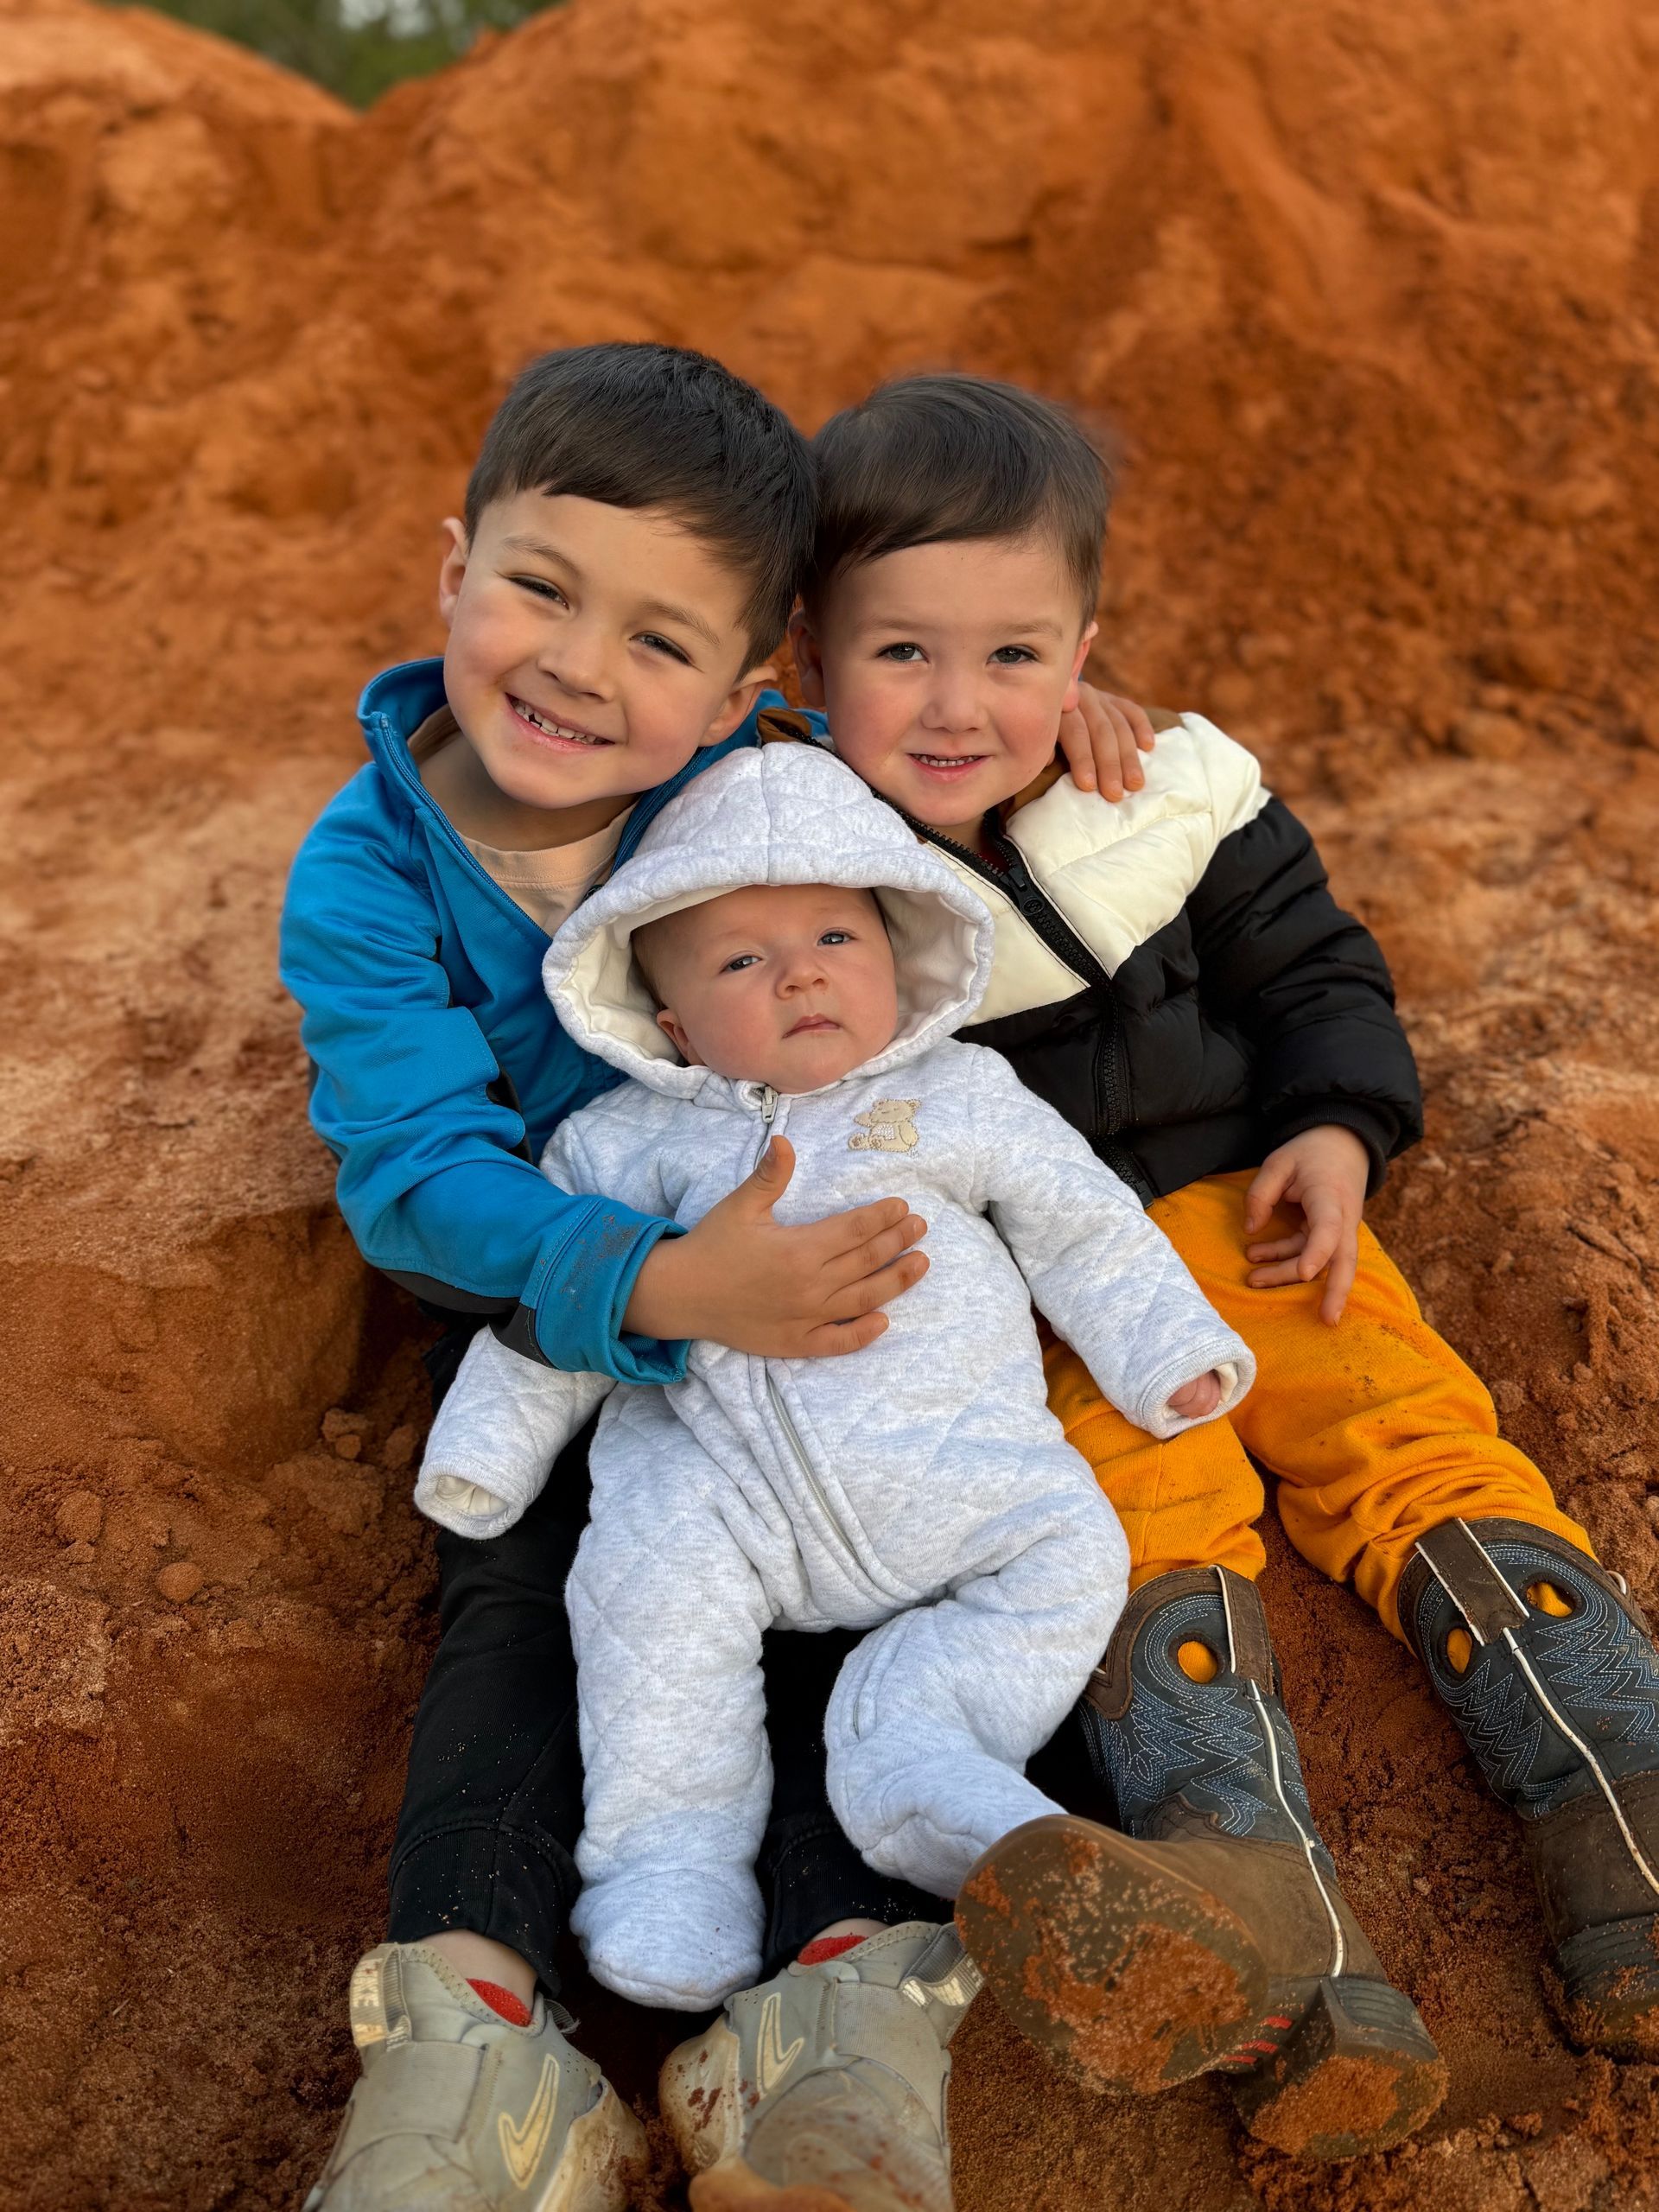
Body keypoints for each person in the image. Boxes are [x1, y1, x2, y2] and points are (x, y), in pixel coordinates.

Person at [280, 340, 1157, 2212]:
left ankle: (840, 2009)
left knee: (875, 1613)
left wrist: (1067, 714)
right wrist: (670, 1286)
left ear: (746, 689)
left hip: (835, 1340)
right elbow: (420, 1176)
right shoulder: (366, 874)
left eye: (662, 641)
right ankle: (474, 2033)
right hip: (573, 1331)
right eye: (538, 588)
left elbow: (934, 728)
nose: (583, 668)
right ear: (453, 568)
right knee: (524, 1605)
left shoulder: (765, 783)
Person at [784, 369, 1659, 2160]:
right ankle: (1287, 1956)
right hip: (1040, 1288)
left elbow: (1318, 968)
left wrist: (1338, 1128)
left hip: (1257, 1208)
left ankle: (1629, 1825)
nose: (962, 707)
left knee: (1420, 1439)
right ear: (807, 653)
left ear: (1088, 643)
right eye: (904, 656)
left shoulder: (1169, 791)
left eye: (1015, 655)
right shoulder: (803, 856)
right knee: (1136, 1527)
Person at [418, 736, 1250, 2031]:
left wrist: (1161, 1347)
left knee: (1070, 1549)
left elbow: (1079, 1222)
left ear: (902, 951)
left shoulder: (963, 1095)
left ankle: (942, 1781)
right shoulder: (621, 1141)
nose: (800, 969)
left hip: (961, 1479)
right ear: (670, 1018)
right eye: (741, 960)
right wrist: (490, 1451)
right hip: (722, 1496)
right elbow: (561, 1311)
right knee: (641, 1603)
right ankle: (671, 1865)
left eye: (835, 937)